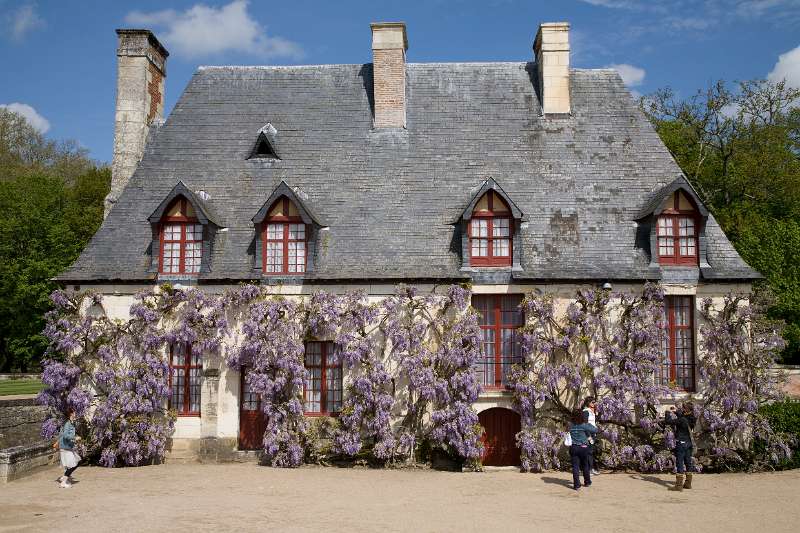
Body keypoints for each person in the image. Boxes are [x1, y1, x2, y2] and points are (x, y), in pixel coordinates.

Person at [663, 402, 696, 491]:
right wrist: (676, 411)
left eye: (682, 408)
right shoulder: (692, 417)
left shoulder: (682, 420)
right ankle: (688, 483)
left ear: (685, 410)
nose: (681, 410)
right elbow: (682, 416)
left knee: (679, 463)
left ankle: (678, 486)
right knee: (688, 462)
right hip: (689, 443)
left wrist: (667, 411)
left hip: (681, 443)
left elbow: (668, 421)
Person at [568, 409, 597, 491]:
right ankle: (587, 482)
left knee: (575, 466)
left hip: (573, 447)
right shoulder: (584, 425)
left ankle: (576, 485)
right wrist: (588, 423)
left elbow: (566, 431)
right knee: (585, 465)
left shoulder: (570, 425)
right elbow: (595, 430)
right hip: (583, 447)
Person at [57, 409, 81, 489]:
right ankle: (63, 481)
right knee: (73, 465)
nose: (75, 414)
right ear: (71, 414)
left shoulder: (71, 423)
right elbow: (65, 435)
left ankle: (64, 478)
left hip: (68, 447)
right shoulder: (68, 424)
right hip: (65, 447)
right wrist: (75, 438)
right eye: (74, 412)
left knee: (73, 463)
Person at [582, 397, 600, 475]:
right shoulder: (586, 411)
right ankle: (588, 470)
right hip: (588, 434)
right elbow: (585, 425)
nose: (594, 403)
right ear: (588, 403)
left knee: (591, 452)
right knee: (588, 452)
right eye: (593, 402)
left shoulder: (592, 412)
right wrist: (589, 437)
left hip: (592, 433)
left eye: (594, 402)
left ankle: (591, 468)